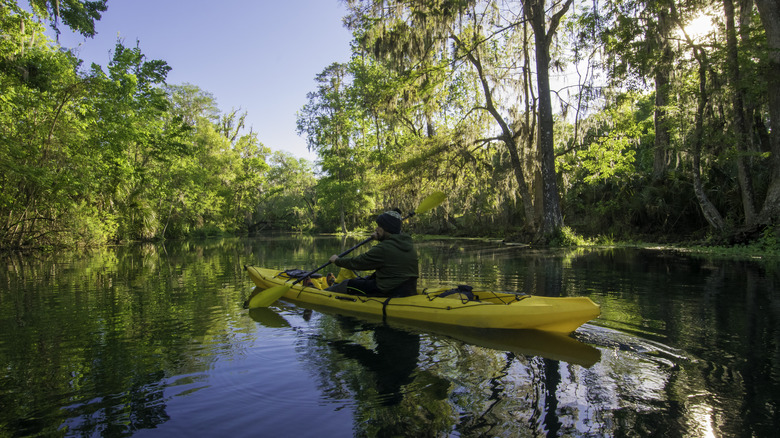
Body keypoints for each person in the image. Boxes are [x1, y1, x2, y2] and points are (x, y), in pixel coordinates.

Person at [326, 209, 418, 297]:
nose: (376, 229)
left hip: (387, 290)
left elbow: (358, 263)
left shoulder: (383, 249)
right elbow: (389, 249)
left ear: (386, 228)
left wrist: (337, 260)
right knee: (366, 278)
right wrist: (380, 237)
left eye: (379, 226)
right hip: (406, 289)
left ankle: (322, 293)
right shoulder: (407, 243)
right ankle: (335, 283)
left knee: (346, 284)